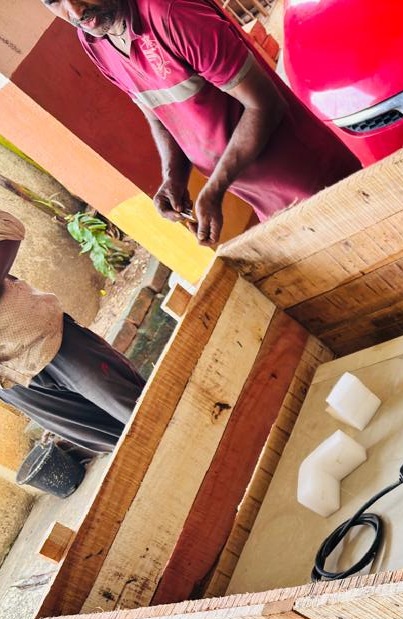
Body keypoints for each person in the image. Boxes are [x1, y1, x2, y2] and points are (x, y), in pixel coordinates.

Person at [42, 0, 361, 246]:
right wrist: (173, 176)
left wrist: (215, 188)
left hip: (308, 175)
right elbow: (157, 112)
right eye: (54, 1)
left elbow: (265, 106)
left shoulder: (171, 14)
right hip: (261, 198)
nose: (76, 10)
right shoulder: (94, 40)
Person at [0, 211, 144, 454]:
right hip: (14, 387)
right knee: (125, 446)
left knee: (144, 412)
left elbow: (8, 227)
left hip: (47, 340)